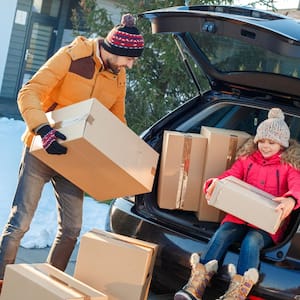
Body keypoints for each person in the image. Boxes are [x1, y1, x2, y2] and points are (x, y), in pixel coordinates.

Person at [0, 13, 144, 291]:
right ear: (115, 50)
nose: (131, 64)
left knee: (71, 229)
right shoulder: (71, 56)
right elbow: (28, 92)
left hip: (75, 159)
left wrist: (124, 156)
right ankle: (2, 280)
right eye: (129, 58)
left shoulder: (118, 75)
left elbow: (117, 120)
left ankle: (46, 285)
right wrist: (43, 129)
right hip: (42, 148)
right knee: (20, 223)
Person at [174, 108, 300, 300]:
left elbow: (297, 187)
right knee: (222, 233)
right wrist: (215, 183)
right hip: (238, 217)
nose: (265, 146)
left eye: (271, 142)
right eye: (262, 141)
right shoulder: (247, 159)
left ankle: (236, 294)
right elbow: (230, 176)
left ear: (282, 144)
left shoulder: (288, 166)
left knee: (252, 242)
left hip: (266, 225)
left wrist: (291, 200)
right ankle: (196, 285)